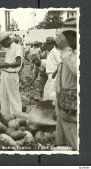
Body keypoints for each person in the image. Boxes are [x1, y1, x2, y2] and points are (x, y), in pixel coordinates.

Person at [54, 18, 77, 151]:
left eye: (66, 36)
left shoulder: (71, 53)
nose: (63, 40)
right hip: (63, 110)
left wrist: (65, 50)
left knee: (75, 147)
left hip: (73, 113)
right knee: (62, 146)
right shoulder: (70, 53)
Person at [0, 32, 22, 115]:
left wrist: (4, 65)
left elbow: (18, 63)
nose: (2, 46)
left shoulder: (17, 47)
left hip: (12, 74)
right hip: (5, 74)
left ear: (7, 40)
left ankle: (17, 116)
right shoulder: (8, 49)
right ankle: (6, 115)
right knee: (4, 96)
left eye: (2, 43)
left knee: (14, 97)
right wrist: (4, 66)